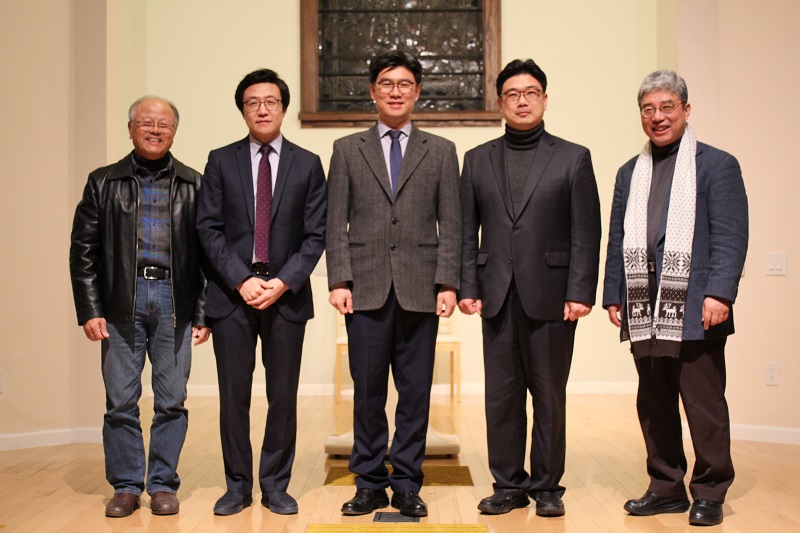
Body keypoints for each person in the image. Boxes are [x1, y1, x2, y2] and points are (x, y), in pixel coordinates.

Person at [602, 70, 748, 527]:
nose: (658, 117)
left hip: (697, 305)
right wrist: (614, 293)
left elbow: (730, 235)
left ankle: (710, 490)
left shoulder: (717, 165)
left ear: (686, 109)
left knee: (704, 405)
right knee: (654, 403)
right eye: (648, 109)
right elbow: (617, 238)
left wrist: (720, 292)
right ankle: (665, 487)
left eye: (667, 107)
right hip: (642, 304)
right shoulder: (630, 172)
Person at [458, 59, 601, 518]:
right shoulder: (477, 159)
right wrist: (467, 284)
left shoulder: (573, 157)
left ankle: (547, 486)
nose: (522, 101)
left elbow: (585, 231)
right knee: (501, 396)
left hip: (554, 296)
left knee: (549, 394)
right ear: (500, 102)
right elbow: (465, 232)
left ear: (544, 99)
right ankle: (508, 484)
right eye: (513, 94)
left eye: (531, 92)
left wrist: (580, 291)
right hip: (495, 294)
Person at [326, 50, 461, 518]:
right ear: (372, 91)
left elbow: (453, 223)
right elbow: (334, 221)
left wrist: (448, 282)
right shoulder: (347, 149)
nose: (395, 91)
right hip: (364, 288)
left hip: (421, 287)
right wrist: (339, 278)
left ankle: (406, 482)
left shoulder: (441, 151)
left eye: (404, 84)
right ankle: (368, 482)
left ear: (417, 92)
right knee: (368, 392)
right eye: (386, 83)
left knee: (416, 392)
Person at [70, 96, 210, 518]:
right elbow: (83, 252)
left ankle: (163, 484)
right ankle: (127, 486)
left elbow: (208, 256)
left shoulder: (194, 184)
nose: (155, 130)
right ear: (130, 128)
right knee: (120, 401)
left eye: (163, 124)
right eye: (146, 123)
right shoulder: (102, 182)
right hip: (120, 301)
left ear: (174, 132)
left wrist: (203, 313)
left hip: (174, 301)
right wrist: (90, 309)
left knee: (172, 400)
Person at [196, 69, 326, 517]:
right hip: (233, 295)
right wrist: (241, 278)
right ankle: (237, 486)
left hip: (286, 295)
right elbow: (208, 229)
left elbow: (316, 234)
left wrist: (283, 281)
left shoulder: (308, 164)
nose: (263, 109)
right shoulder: (220, 160)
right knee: (233, 395)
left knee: (282, 395)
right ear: (242, 110)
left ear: (284, 108)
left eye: (271, 101)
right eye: (253, 102)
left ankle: (275, 484)